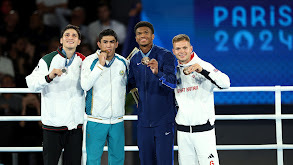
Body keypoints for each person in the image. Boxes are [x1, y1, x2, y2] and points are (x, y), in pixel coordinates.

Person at [25, 24, 85, 165]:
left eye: (74, 36)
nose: (70, 38)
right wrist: (48, 77)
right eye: (67, 35)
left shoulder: (84, 61)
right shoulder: (48, 60)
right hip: (52, 126)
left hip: (74, 126)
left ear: (79, 41)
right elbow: (31, 84)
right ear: (61, 40)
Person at [172, 34, 230, 165]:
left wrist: (202, 70)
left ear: (191, 48)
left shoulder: (203, 65)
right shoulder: (173, 70)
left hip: (203, 131)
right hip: (183, 132)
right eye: (178, 48)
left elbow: (225, 83)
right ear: (173, 51)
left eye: (185, 48)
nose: (182, 51)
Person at [128, 21, 177, 165]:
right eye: (139, 34)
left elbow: (173, 83)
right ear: (136, 38)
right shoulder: (134, 59)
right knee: (146, 162)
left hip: (163, 120)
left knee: (164, 162)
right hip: (143, 122)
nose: (143, 36)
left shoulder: (165, 55)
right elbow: (130, 84)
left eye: (146, 33)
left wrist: (157, 72)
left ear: (152, 36)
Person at [81, 29, 128, 165]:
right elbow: (85, 85)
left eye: (112, 42)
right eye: (105, 42)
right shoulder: (89, 61)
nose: (108, 45)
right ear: (99, 44)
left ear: (117, 44)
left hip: (117, 120)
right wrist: (100, 66)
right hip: (96, 120)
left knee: (118, 160)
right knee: (93, 160)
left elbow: (128, 85)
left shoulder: (123, 62)